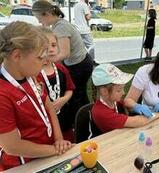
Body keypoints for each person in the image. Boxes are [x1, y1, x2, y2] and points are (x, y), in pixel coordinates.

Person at [0, 21, 72, 171]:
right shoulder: (2, 94)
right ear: (17, 55)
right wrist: (55, 150)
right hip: (23, 164)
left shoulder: (30, 74)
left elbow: (48, 106)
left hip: (48, 152)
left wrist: (59, 139)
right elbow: (12, 146)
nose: (45, 61)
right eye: (40, 58)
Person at [32, 1, 93, 128]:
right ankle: (87, 118)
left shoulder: (60, 27)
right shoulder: (58, 25)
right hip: (81, 63)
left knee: (76, 97)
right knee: (80, 95)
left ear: (46, 14)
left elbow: (64, 53)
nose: (39, 22)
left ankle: (78, 124)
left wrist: (44, 61)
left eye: (39, 18)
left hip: (79, 65)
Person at [91, 64, 159, 133]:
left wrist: (135, 106)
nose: (123, 93)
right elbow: (136, 122)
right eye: (119, 90)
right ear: (104, 91)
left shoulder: (113, 101)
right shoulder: (101, 113)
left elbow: (126, 104)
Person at [37, 27, 75, 142]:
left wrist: (64, 99)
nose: (51, 50)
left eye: (53, 45)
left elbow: (70, 89)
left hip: (64, 120)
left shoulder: (61, 69)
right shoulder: (34, 73)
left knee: (68, 144)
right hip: (45, 124)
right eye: (46, 47)